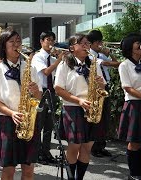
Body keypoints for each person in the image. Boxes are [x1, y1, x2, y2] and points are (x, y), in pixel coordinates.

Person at [0, 28, 42, 180]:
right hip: (7, 122)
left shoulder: (30, 67)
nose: (17, 45)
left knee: (29, 170)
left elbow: (39, 96)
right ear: (4, 45)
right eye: (12, 42)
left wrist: (36, 90)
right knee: (8, 171)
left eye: (19, 41)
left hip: (29, 120)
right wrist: (11, 113)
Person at [54, 34, 106, 180]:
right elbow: (58, 89)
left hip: (91, 108)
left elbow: (102, 87)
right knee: (74, 146)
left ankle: (79, 178)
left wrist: (100, 84)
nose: (85, 45)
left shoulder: (93, 64)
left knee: (87, 147)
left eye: (87, 43)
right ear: (72, 48)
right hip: (73, 108)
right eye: (81, 43)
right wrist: (79, 101)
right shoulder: (64, 64)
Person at [31, 31, 64, 164]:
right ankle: (38, 153)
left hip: (52, 92)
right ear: (41, 41)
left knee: (49, 125)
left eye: (52, 40)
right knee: (39, 125)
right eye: (47, 40)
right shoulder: (38, 57)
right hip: (41, 92)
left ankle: (46, 152)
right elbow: (46, 72)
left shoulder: (53, 58)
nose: (50, 43)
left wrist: (60, 59)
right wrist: (58, 60)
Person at [87, 29, 121, 158]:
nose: (101, 44)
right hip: (96, 90)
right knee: (98, 120)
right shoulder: (90, 55)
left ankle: (101, 146)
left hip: (105, 88)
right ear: (94, 43)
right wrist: (108, 55)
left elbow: (116, 64)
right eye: (100, 42)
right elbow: (109, 64)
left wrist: (110, 53)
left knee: (105, 119)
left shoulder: (100, 55)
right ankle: (95, 148)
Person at [117, 33, 141, 180]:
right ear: (130, 47)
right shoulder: (124, 65)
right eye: (137, 43)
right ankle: (134, 174)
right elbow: (128, 88)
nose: (140, 44)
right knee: (135, 142)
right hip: (134, 105)